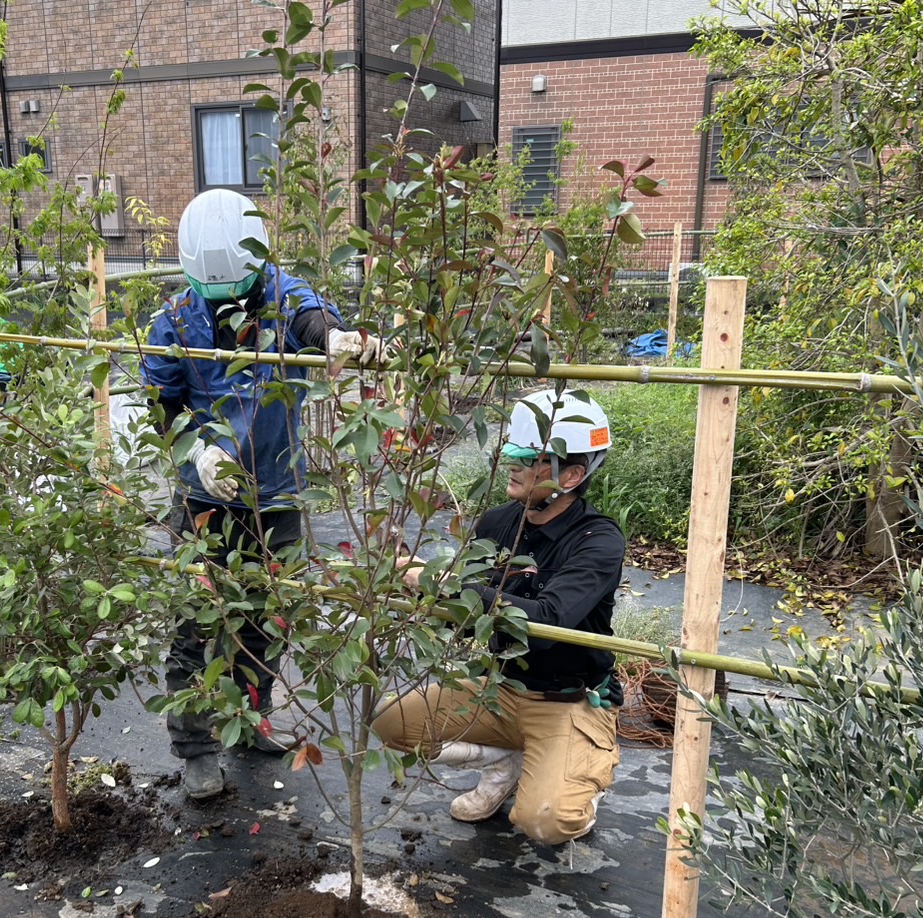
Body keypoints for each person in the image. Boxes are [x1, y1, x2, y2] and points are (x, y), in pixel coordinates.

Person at [142, 188, 385, 799]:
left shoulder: (285, 296)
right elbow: (162, 404)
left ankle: (251, 719)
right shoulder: (173, 320)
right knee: (199, 622)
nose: (228, 305)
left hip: (275, 493)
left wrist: (337, 342)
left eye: (238, 294)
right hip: (204, 498)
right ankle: (197, 746)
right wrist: (196, 449)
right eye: (213, 297)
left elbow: (314, 322)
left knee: (269, 616)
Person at [372, 388, 624, 845]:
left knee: (546, 823)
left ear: (570, 474)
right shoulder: (496, 523)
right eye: (511, 450)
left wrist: (439, 583)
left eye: (529, 457)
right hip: (499, 691)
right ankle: (502, 762)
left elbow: (546, 624)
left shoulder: (598, 541)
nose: (512, 462)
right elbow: (469, 613)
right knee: (391, 723)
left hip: (568, 701)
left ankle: (575, 779)